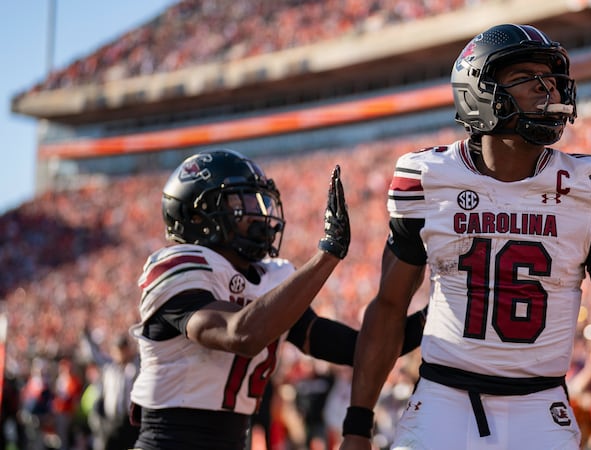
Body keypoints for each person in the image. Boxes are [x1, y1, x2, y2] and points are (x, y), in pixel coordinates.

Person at [340, 24, 591, 450]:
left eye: (549, 77)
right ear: (480, 90)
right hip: (442, 403)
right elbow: (390, 306)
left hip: (540, 407)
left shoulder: (590, 184)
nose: (547, 88)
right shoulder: (427, 178)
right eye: (526, 77)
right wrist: (358, 426)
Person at [129, 149, 425, 450]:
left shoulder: (270, 277)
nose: (259, 213)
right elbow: (241, 334)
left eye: (260, 201)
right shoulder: (179, 266)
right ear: (197, 216)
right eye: (241, 202)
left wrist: (439, 313)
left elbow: (359, 348)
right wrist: (326, 257)